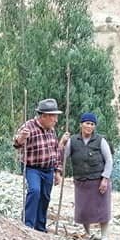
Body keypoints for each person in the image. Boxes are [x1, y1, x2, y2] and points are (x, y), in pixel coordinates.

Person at [13, 98, 70, 232]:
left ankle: (40, 228)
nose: (56, 120)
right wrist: (21, 138)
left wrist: (57, 171)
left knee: (45, 196)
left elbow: (55, 151)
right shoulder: (29, 126)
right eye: (53, 116)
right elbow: (16, 143)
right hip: (32, 168)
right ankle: (27, 225)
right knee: (35, 191)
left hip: (48, 169)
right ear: (44, 116)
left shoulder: (51, 130)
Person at [62, 112, 113, 240]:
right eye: (87, 123)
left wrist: (105, 178)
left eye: (92, 124)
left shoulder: (100, 140)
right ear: (81, 124)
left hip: (98, 180)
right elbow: (63, 157)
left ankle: (105, 236)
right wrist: (62, 143)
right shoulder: (72, 140)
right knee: (83, 210)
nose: (89, 126)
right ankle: (87, 234)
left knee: (103, 209)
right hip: (81, 181)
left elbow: (109, 160)